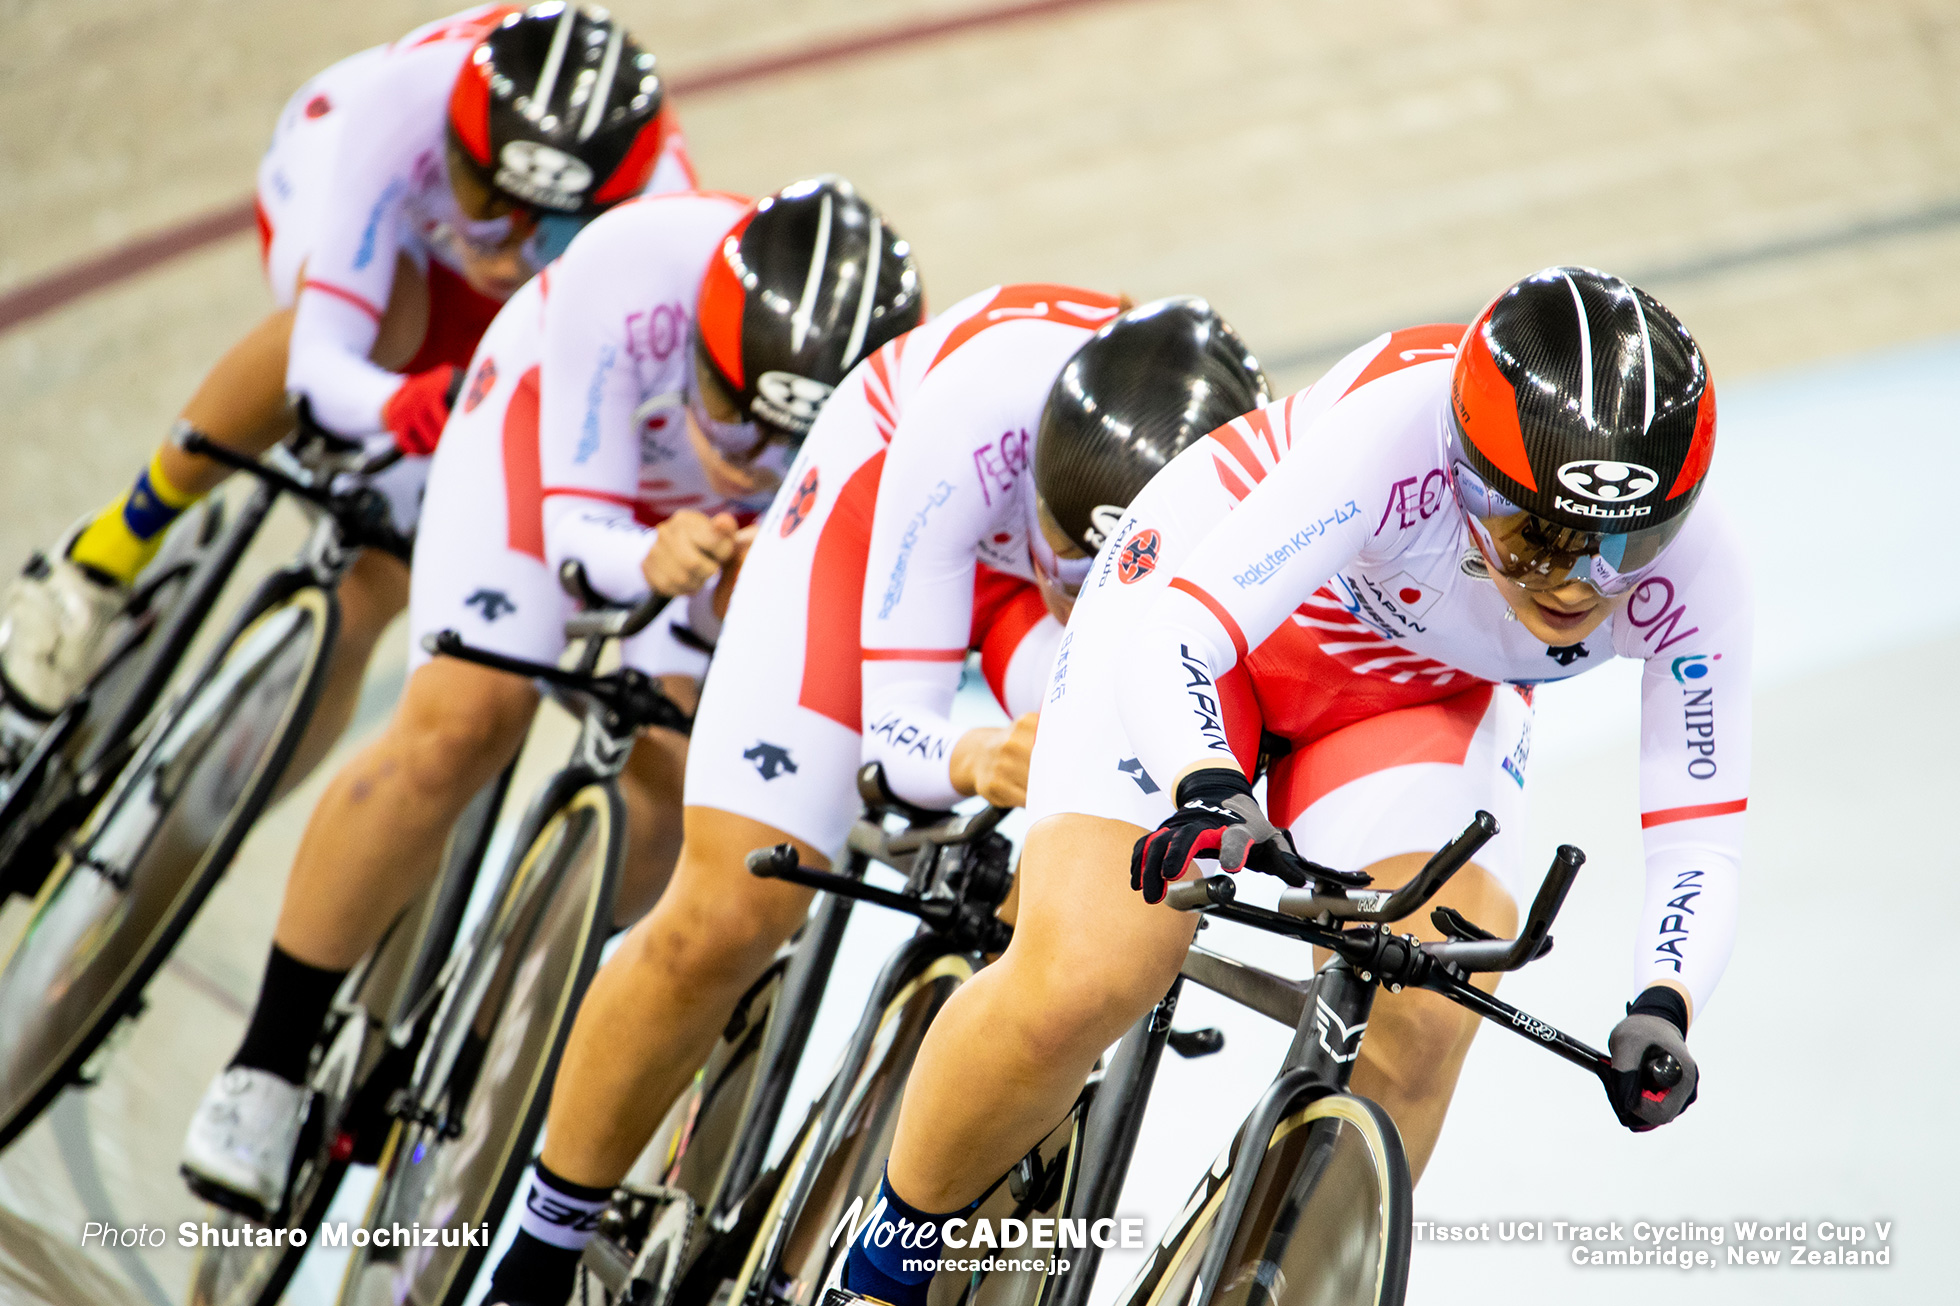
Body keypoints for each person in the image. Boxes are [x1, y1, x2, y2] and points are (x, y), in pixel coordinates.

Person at [839, 267, 1750, 1305]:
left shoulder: (1702, 569)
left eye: (1627, 545)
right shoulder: (1394, 435)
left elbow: (1699, 828)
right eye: (1534, 538)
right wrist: (1207, 785)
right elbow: (1183, 631)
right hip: (1212, 616)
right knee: (1089, 973)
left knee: (1422, 1022)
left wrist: (1664, 1001)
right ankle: (883, 1272)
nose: (1577, 582)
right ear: (1465, 475)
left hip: (1403, 699)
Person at [481, 293, 1272, 1306]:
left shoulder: (1251, 489)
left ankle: (872, 1222)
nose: (1084, 601)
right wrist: (975, 753)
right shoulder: (971, 422)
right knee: (732, 908)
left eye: (1105, 581)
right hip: (886, 527)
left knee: (1079, 933)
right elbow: (891, 733)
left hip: (1102, 587)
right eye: (1074, 570)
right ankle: (536, 1255)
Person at [178, 176, 921, 1219]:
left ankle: (508, 1014)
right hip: (551, 457)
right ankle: (266, 1063)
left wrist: (719, 599)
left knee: (670, 793)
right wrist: (647, 556)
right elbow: (575, 541)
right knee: (465, 721)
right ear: (701, 343)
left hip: (712, 537)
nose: (743, 452)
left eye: (776, 441)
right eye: (729, 411)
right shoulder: (628, 274)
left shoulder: (891, 414)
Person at [0, 3, 692, 776]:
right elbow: (322, 360)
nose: (505, 250)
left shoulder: (654, 233)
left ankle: (199, 827)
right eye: (486, 200)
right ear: (456, 153)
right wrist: (388, 403)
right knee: (385, 318)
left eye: (553, 231)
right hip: (365, 203)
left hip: (515, 317)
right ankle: (105, 557)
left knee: (383, 572)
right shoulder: (407, 105)